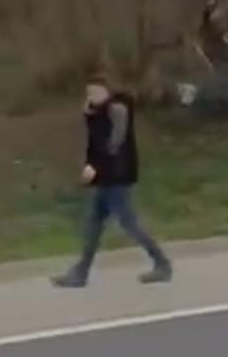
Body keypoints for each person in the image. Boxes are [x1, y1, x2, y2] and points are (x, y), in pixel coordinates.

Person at [53, 75, 173, 289]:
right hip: (105, 177)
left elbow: (113, 144)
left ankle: (162, 263)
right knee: (94, 225)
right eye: (88, 93)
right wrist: (89, 116)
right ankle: (81, 273)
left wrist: (94, 166)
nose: (90, 97)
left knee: (129, 223)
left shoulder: (118, 110)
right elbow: (94, 142)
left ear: (106, 91)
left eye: (94, 92)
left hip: (118, 175)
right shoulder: (98, 113)